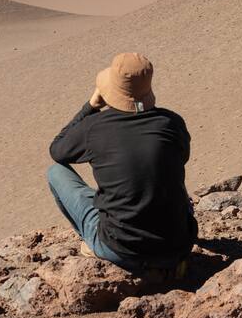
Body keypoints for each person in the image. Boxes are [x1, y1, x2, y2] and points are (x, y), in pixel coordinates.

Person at [47, 52, 197, 275]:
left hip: (120, 248)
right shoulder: (171, 122)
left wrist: (90, 107)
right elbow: (182, 158)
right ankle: (165, 263)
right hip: (178, 245)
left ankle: (96, 244)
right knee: (165, 171)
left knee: (56, 172)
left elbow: (57, 151)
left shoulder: (95, 127)